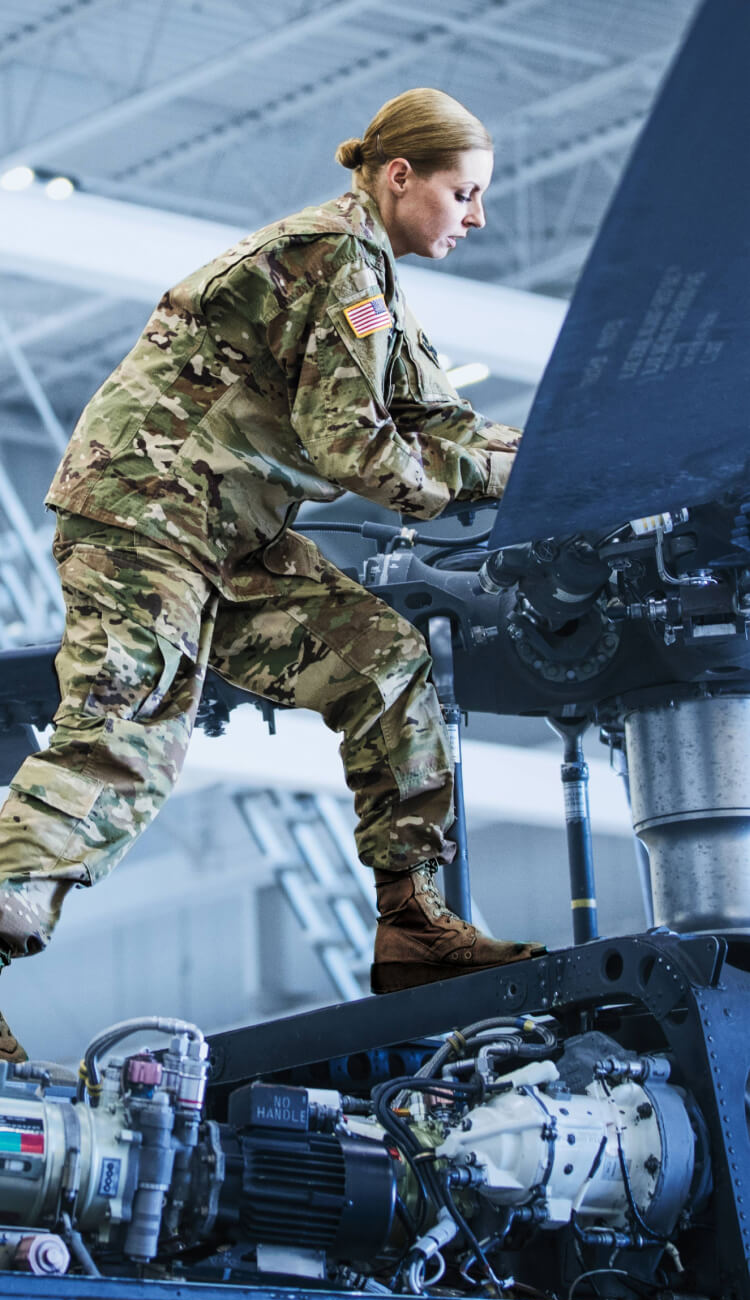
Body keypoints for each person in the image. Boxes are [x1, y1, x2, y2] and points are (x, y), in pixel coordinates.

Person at [0, 87, 544, 1061]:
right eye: (464, 195)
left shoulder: (369, 279)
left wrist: (547, 460)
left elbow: (439, 422)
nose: (478, 218)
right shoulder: (336, 259)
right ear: (400, 176)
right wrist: (462, 484)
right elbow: (358, 450)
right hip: (148, 504)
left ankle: (413, 928)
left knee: (382, 665)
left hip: (224, 529)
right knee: (128, 727)